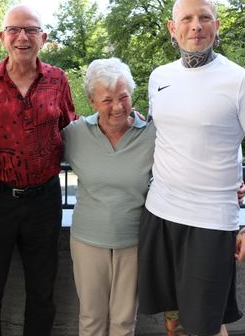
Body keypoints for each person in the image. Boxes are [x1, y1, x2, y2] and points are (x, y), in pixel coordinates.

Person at [138, 0, 245, 336]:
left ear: (216, 26)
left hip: (210, 223)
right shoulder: (159, 77)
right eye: (186, 19)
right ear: (173, 28)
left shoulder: (241, 82)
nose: (195, 26)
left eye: (204, 18)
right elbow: (167, 136)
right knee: (172, 319)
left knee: (205, 325)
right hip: (159, 213)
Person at [0, 4, 77, 336]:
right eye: (14, 30)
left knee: (43, 292)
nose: (22, 37)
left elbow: (73, 131)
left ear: (43, 37)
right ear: (2, 37)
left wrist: (125, 128)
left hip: (44, 199)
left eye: (30, 30)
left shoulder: (57, 80)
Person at [62, 58, 155, 336]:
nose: (117, 107)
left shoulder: (152, 134)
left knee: (124, 322)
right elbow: (38, 156)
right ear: (91, 101)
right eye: (107, 100)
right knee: (91, 320)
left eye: (123, 97)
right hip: (88, 240)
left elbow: (185, 164)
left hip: (134, 240)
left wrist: (231, 185)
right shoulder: (75, 134)